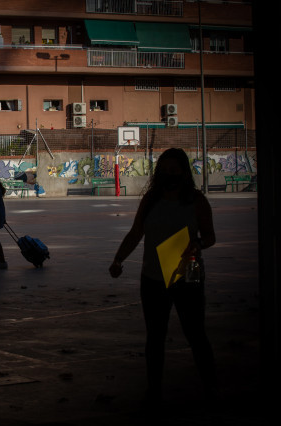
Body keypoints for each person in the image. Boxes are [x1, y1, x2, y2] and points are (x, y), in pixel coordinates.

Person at [108, 148, 217, 406]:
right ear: (159, 174)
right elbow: (136, 233)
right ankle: (154, 391)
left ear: (183, 172)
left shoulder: (197, 201)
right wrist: (118, 259)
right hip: (153, 277)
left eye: (175, 170)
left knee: (196, 334)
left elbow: (211, 237)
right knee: (155, 337)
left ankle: (211, 388)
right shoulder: (150, 200)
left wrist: (198, 244)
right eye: (166, 170)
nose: (170, 175)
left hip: (187, 275)